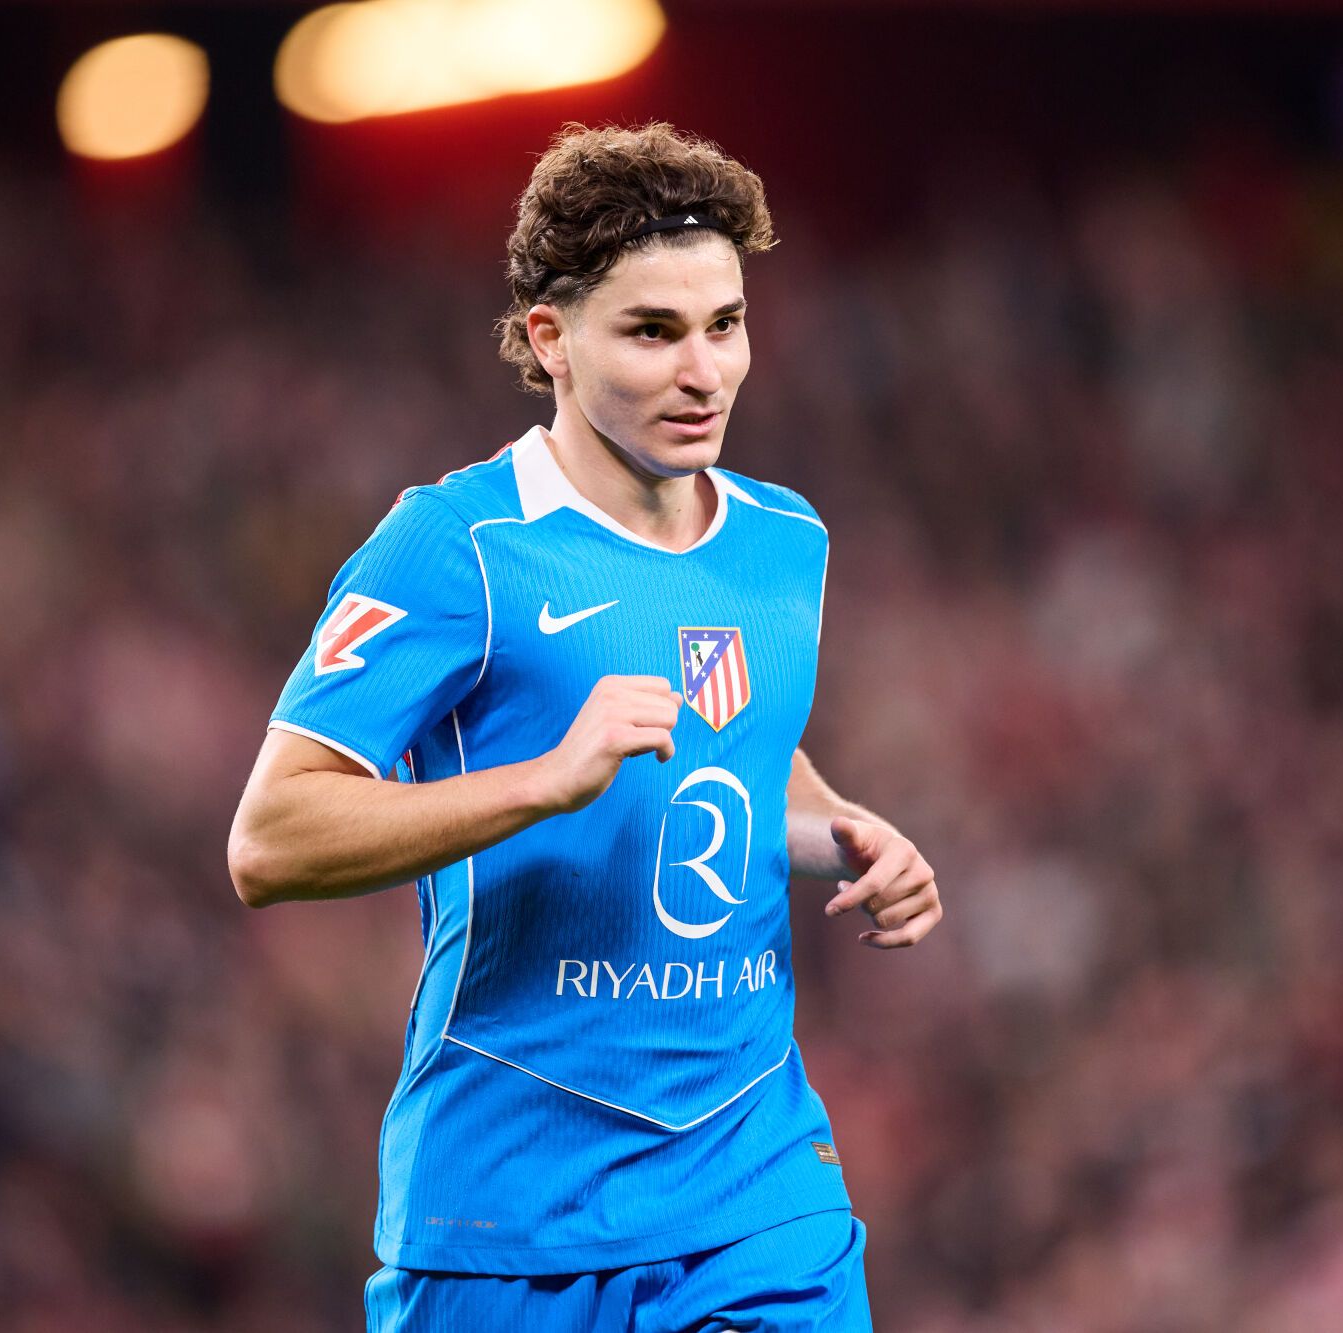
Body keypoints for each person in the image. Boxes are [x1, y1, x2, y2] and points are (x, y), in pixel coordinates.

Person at [227, 121, 942, 1331]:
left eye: (724, 324)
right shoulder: (458, 547)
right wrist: (543, 781)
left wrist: (847, 833)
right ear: (549, 339)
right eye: (652, 332)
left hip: (753, 1192)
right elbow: (269, 839)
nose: (703, 372)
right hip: (510, 1216)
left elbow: (736, 747)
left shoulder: (783, 544)